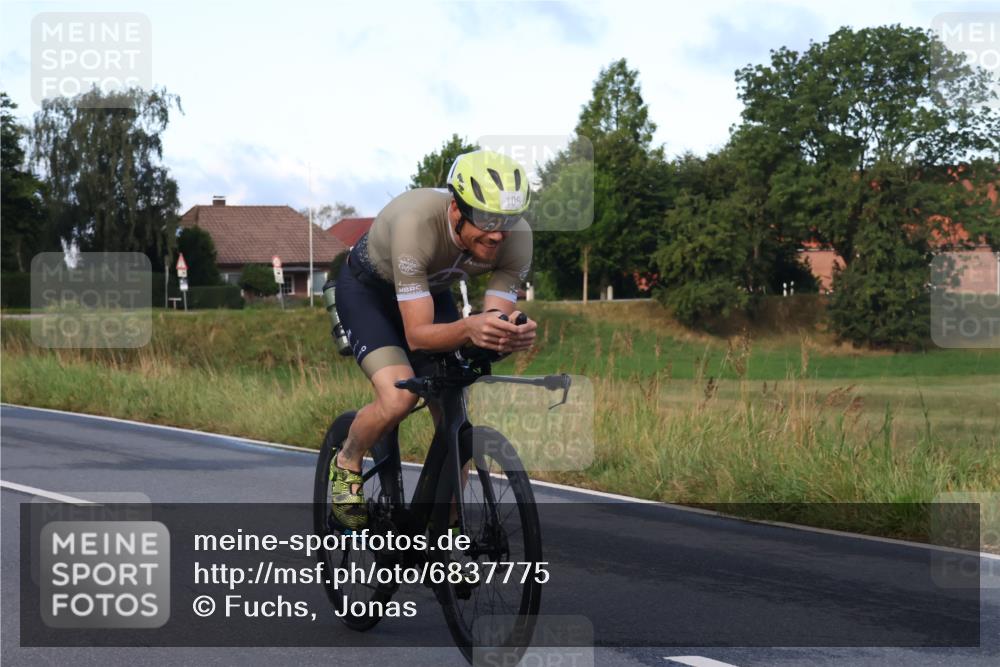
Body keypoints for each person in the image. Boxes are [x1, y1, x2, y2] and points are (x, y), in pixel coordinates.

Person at [331, 149, 537, 528]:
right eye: (487, 219)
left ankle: (446, 533)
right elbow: (418, 336)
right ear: (456, 208)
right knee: (399, 398)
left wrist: (510, 330)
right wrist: (469, 327)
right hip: (368, 293)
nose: (497, 233)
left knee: (453, 412)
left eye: (507, 220)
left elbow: (493, 314)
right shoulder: (416, 222)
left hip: (430, 292)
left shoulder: (517, 238)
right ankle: (348, 459)